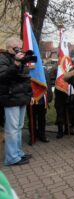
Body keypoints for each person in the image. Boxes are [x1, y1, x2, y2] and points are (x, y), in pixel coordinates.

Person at [0, 37, 33, 166]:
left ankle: (18, 153)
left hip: (21, 96)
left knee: (18, 127)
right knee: (12, 129)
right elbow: (3, 76)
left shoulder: (18, 59)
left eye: (21, 47)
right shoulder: (2, 58)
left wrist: (21, 63)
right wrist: (16, 64)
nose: (20, 49)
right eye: (17, 47)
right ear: (9, 48)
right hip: (10, 97)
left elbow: (24, 76)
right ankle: (11, 158)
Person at [27, 67, 53, 145]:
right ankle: (33, 136)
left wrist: (49, 97)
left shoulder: (44, 70)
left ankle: (42, 135)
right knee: (32, 119)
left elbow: (48, 84)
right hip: (31, 99)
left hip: (42, 98)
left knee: (42, 118)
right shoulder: (27, 70)